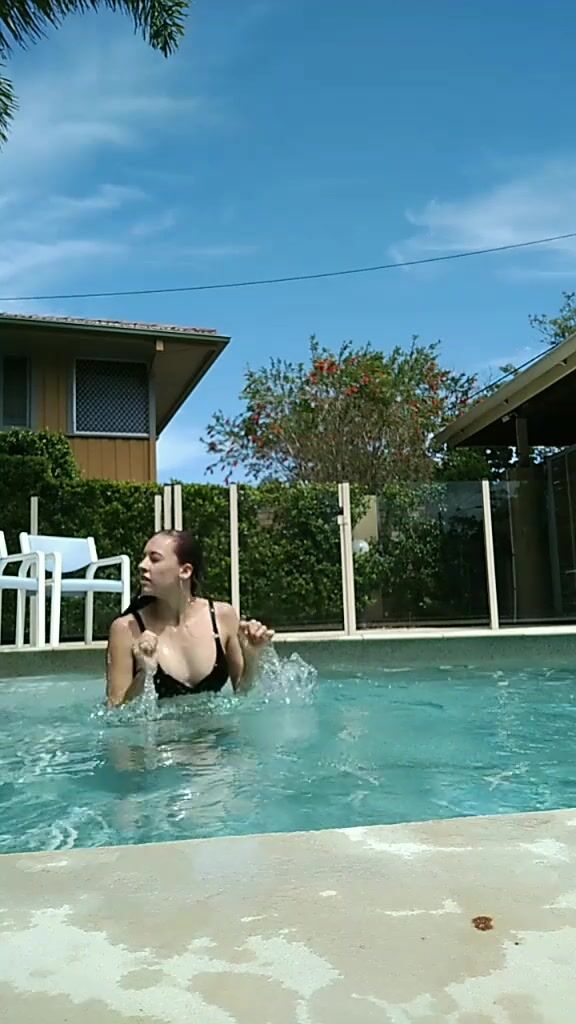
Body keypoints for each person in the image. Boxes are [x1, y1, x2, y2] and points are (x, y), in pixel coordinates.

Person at [106, 529, 274, 707]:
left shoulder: (222, 617)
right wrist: (144, 673)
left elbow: (243, 694)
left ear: (185, 571)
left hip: (217, 725)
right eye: (144, 557)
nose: (142, 565)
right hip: (162, 726)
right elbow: (116, 712)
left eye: (154, 559)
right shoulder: (126, 629)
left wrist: (252, 656)